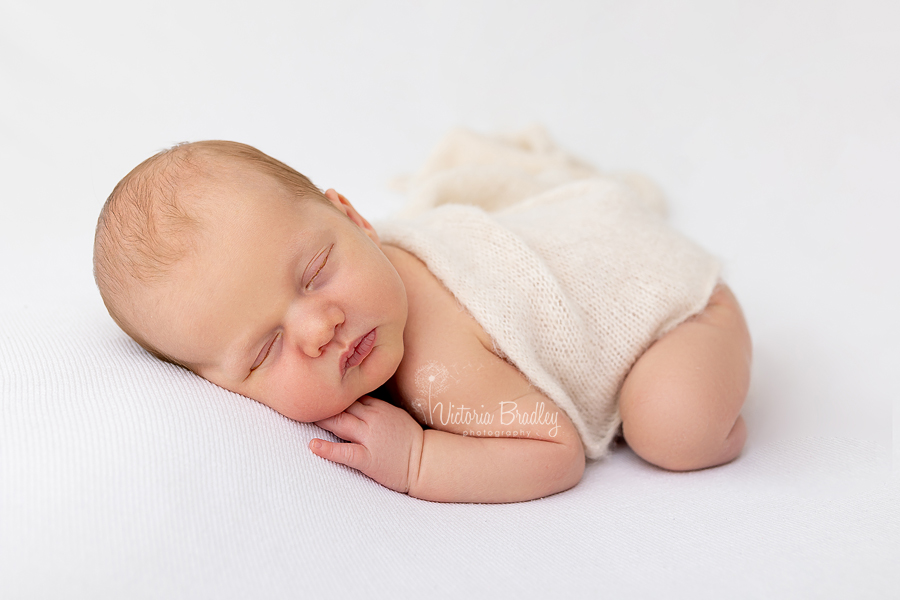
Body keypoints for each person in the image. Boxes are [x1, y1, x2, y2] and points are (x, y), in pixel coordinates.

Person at [93, 128, 751, 504]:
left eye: (316, 273)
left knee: (675, 432)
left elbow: (553, 451)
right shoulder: (369, 293)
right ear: (223, 387)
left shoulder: (441, 366)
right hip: (599, 245)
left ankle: (728, 398)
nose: (318, 329)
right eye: (267, 350)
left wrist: (419, 462)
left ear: (354, 218)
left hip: (659, 300)